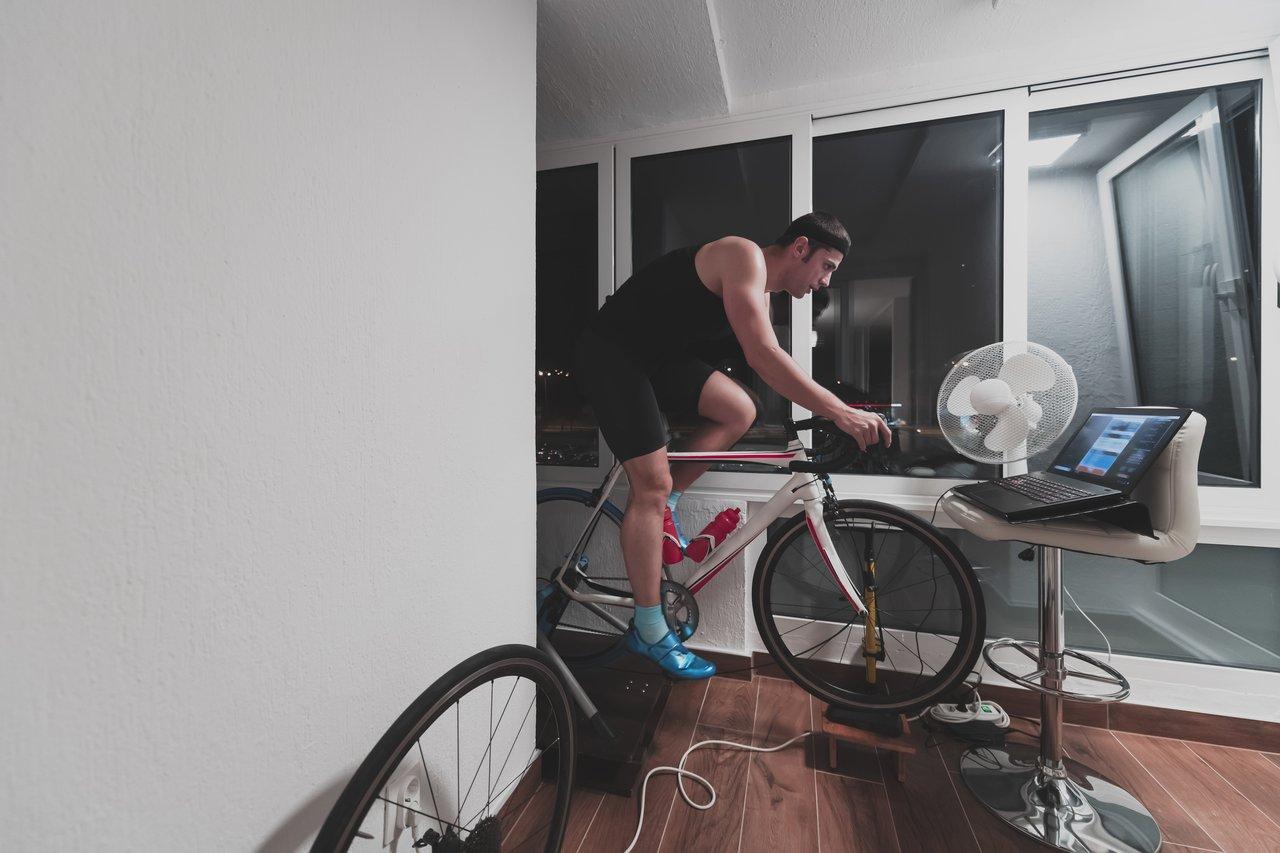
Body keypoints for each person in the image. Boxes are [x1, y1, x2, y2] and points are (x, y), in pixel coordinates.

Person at [572, 212, 892, 679]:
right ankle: (647, 626)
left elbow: (766, 359)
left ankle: (668, 505)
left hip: (656, 359)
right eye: (826, 266)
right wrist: (839, 412)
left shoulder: (762, 293)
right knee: (650, 485)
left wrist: (831, 406)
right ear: (800, 247)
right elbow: (764, 355)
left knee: (740, 411)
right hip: (612, 353)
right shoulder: (741, 255)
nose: (824, 282)